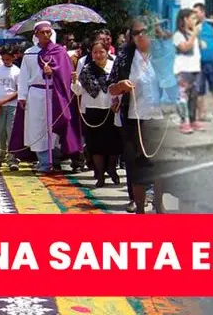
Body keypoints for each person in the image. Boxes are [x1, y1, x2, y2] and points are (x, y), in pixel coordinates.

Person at [109, 18, 165, 214]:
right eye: (136, 33)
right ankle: (139, 207)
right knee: (136, 165)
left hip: (159, 118)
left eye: (144, 31)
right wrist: (120, 86)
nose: (140, 36)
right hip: (134, 119)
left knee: (159, 165)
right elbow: (111, 87)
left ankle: (158, 204)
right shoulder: (124, 57)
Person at [9, 22, 82, 173]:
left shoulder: (59, 51)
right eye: (42, 32)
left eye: (49, 32)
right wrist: (22, 96)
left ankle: (54, 159)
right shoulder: (29, 53)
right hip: (35, 94)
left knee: (54, 126)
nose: (46, 35)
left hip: (54, 94)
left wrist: (53, 72)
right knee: (37, 128)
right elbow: (24, 76)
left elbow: (66, 73)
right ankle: (43, 161)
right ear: (36, 34)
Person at [76, 39, 123, 187]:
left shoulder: (114, 67)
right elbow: (78, 90)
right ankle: (100, 175)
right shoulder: (87, 69)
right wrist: (74, 83)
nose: (98, 55)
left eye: (101, 52)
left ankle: (112, 169)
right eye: (95, 52)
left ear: (107, 52)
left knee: (114, 144)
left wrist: (118, 102)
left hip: (111, 109)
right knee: (95, 145)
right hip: (93, 109)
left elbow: (120, 86)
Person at [0, 48, 20, 171]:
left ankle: (12, 159)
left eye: (8, 59)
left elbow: (18, 91)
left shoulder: (17, 71)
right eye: (3, 59)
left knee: (11, 132)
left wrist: (4, 101)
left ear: (13, 58)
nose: (6, 61)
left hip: (12, 106)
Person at [193, 3, 213, 121]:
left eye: (196, 12)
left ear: (203, 12)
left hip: (212, 60)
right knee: (199, 88)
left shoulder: (212, 24)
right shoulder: (193, 25)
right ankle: (201, 113)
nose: (194, 14)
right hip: (198, 62)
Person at [172, 8, 202, 134]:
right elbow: (185, 47)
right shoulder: (178, 35)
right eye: (193, 18)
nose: (195, 21)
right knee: (183, 97)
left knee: (194, 96)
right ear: (185, 19)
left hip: (195, 68)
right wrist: (195, 34)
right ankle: (184, 122)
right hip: (183, 70)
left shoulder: (191, 34)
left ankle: (193, 120)